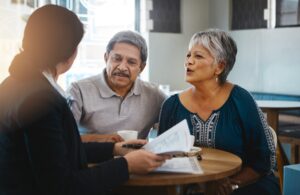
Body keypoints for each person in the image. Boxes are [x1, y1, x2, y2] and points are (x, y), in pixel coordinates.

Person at [0, 5, 169, 195]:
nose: (122, 66)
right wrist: (126, 165)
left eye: (131, 62)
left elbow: (54, 152)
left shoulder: (12, 83)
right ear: (70, 52)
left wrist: (114, 149)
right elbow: (63, 186)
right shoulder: (42, 100)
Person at [157, 29, 280, 195]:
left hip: (244, 185)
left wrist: (231, 184)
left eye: (198, 56)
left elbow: (264, 159)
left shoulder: (241, 100)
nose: (189, 61)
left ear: (219, 66)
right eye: (188, 55)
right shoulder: (171, 106)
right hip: (190, 185)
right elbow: (160, 157)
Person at [67, 30, 166, 141]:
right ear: (106, 58)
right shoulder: (78, 90)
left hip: (137, 158)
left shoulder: (155, 95)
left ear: (141, 68)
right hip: (91, 158)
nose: (122, 67)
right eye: (117, 59)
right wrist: (108, 141)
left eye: (131, 62)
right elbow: (65, 139)